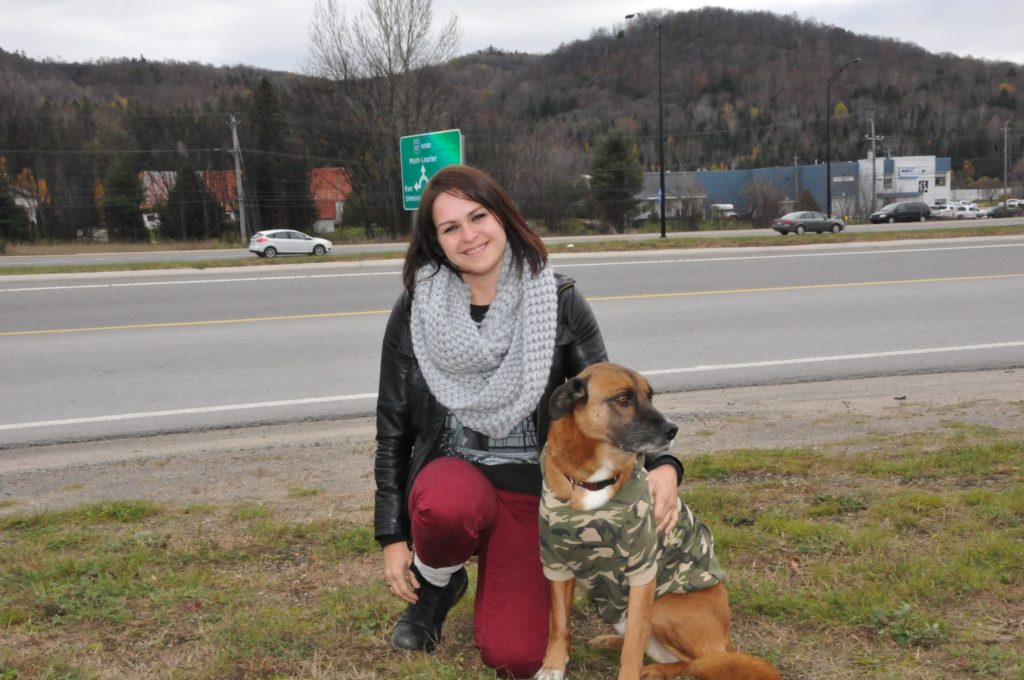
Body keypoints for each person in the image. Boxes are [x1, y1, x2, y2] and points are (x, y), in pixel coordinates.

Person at [372, 164, 683, 678]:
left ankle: (500, 574)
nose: (469, 235)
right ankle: (437, 585)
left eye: (478, 216)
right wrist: (391, 535)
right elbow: (393, 428)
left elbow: (612, 399)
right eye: (450, 228)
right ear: (436, 241)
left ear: (503, 216)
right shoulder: (415, 309)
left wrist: (666, 462)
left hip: (534, 495)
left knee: (515, 657)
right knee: (444, 503)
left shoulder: (558, 302)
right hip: (456, 475)